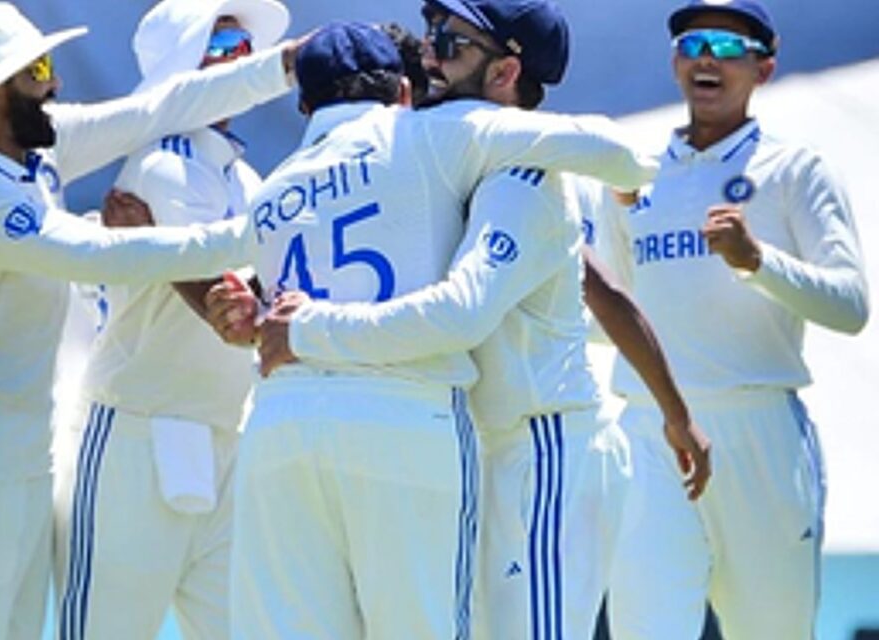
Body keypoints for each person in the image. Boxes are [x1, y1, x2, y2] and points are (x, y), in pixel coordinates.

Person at [216, 2, 709, 637]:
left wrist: (303, 332)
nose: (426, 53)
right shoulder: (446, 155)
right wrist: (259, 308)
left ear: (505, 72)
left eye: (449, 42)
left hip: (541, 449)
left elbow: (471, 311)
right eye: (429, 35)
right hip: (477, 447)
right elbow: (599, 289)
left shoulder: (521, 173)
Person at [0, 3, 300, 638]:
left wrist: (286, 65)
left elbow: (158, 107)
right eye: (38, 70)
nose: (55, 82)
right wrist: (258, 233)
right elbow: (91, 252)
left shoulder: (33, 150)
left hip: (23, 451)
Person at [597, 2, 869, 638]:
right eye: (692, 44)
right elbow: (616, 306)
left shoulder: (795, 170)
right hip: (650, 431)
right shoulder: (632, 175)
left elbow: (850, 306)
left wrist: (758, 261)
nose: (707, 60)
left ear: (764, 68)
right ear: (674, 62)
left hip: (758, 430)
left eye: (726, 46)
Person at [51, 1, 288, 638]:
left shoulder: (242, 174)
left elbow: (260, 300)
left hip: (224, 436)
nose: (242, 60)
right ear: (181, 61)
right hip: (136, 438)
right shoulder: (163, 163)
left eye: (245, 46)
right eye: (224, 46)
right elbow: (225, 309)